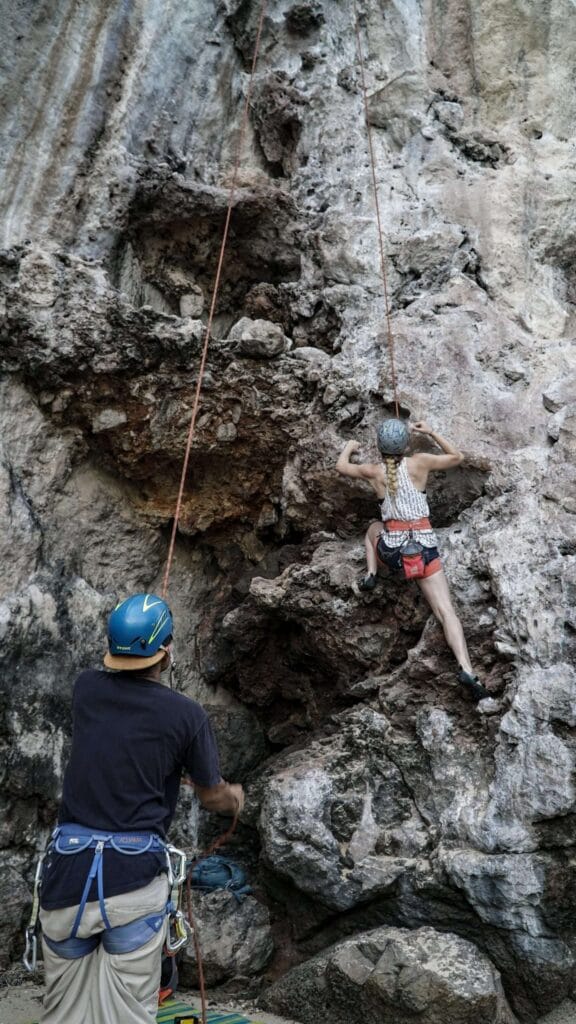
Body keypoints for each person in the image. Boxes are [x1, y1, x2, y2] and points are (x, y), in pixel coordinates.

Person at [37, 593, 244, 1024]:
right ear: (166, 651)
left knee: (64, 1014)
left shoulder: (86, 689)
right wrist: (234, 797)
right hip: (132, 881)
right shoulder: (187, 716)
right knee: (128, 1013)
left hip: (67, 879)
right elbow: (211, 796)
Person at [336, 418, 488, 701]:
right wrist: (430, 432)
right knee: (447, 613)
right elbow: (458, 457)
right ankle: (467, 668)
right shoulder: (420, 462)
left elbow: (341, 467)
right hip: (423, 550)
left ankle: (371, 573)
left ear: (380, 447)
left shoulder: (374, 471)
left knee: (372, 529)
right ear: (406, 445)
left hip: (393, 554)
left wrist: (349, 446)